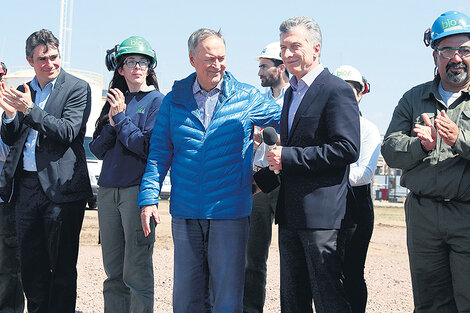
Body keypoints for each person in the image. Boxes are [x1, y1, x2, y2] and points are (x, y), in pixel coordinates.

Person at [137, 28, 281, 313]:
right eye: (209, 59)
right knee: (187, 300)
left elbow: (289, 122)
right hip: (186, 212)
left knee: (227, 300)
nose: (217, 65)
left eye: (222, 58)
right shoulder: (174, 99)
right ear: (192, 59)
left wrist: (267, 173)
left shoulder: (247, 97)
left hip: (230, 212)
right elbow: (159, 154)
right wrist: (148, 198)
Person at [264, 16, 360, 313]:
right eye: (283, 48)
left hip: (323, 218)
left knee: (329, 297)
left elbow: (347, 148)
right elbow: (292, 147)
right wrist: (263, 179)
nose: (288, 54)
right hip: (290, 213)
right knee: (293, 301)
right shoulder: (291, 92)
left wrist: (288, 156)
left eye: (295, 46)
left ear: (316, 48)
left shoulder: (336, 89)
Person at [381, 10, 470, 313]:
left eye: (465, 50)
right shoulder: (413, 98)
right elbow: (390, 150)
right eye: (447, 50)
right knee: (431, 304)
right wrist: (421, 145)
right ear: (435, 56)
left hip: (466, 215)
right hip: (423, 217)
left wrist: (459, 138)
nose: (456, 57)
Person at [0, 29, 92, 313]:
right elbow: (11, 136)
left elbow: (67, 131)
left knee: (62, 268)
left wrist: (29, 110)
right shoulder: (23, 91)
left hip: (61, 191)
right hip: (26, 189)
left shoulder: (77, 88)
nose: (50, 63)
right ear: (30, 60)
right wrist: (10, 115)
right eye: (43, 59)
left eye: (54, 57)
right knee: (31, 267)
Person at [89, 36, 163, 313]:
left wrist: (120, 119)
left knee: (137, 269)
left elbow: (148, 147)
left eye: (142, 62)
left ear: (149, 67)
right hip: (108, 190)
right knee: (113, 271)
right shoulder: (115, 99)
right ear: (120, 69)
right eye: (130, 62)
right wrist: (111, 121)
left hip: (136, 190)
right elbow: (97, 148)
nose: (137, 67)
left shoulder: (158, 102)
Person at [244, 41, 289, 313]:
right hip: (260, 182)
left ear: (280, 67)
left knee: (292, 256)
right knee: (253, 256)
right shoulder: (256, 102)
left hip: (288, 182)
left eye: (264, 66)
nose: (259, 72)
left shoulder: (297, 98)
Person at [333, 65, 381, 313]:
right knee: (327, 273)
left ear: (361, 94)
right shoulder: (324, 127)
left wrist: (328, 175)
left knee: (351, 271)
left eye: (349, 90)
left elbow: (366, 173)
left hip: (356, 209)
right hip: (328, 205)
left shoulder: (368, 129)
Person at [0, 62, 24, 313]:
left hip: (4, 200)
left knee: (7, 267)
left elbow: (13, 152)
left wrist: (9, 116)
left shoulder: (10, 109)